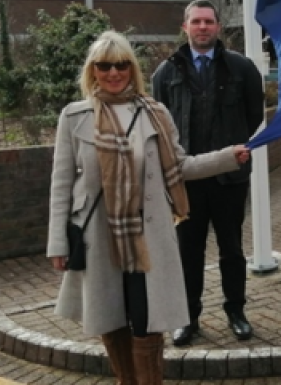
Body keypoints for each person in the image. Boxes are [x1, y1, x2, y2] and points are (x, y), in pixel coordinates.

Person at [47, 31, 252, 384]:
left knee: (146, 321)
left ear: (132, 68)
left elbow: (181, 166)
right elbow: (61, 184)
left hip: (148, 238)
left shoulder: (155, 113)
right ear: (93, 71)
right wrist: (57, 244)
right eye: (105, 66)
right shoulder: (74, 117)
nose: (114, 73)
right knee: (111, 319)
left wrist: (227, 158)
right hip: (100, 237)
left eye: (122, 64)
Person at [152, 0, 264, 346]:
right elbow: (159, 123)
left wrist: (229, 151)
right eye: (196, 22)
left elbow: (253, 115)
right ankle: (188, 318)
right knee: (188, 252)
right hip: (186, 181)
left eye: (208, 22)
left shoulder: (242, 68)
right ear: (185, 27)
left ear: (218, 27)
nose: (203, 27)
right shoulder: (165, 73)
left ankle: (236, 312)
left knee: (232, 249)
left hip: (229, 177)